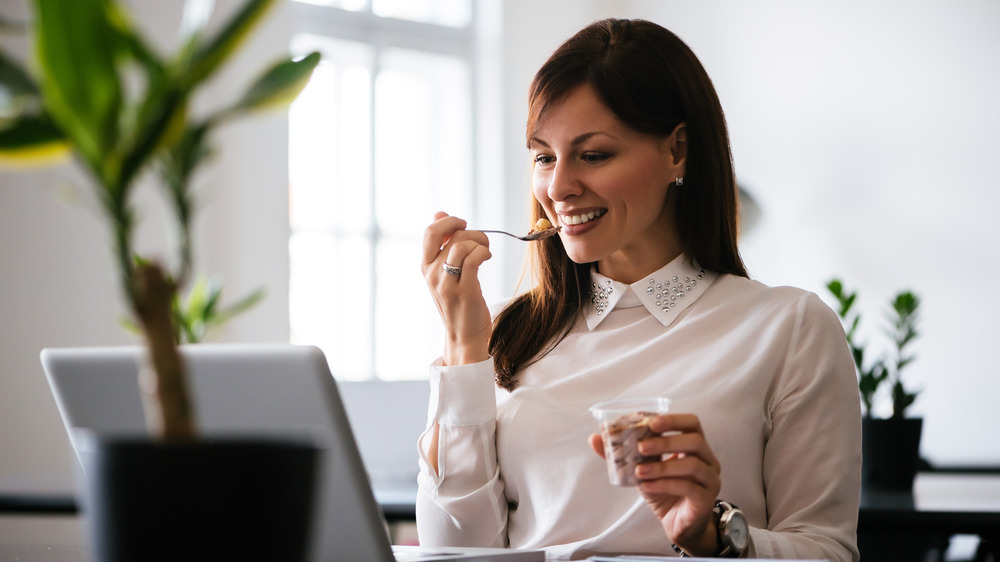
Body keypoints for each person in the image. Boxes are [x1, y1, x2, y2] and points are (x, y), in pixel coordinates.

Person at [418, 17, 861, 561]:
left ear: (677, 150)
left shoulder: (789, 328)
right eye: (543, 156)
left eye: (594, 154)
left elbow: (827, 551)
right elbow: (455, 552)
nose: (557, 187)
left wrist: (715, 536)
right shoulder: (507, 332)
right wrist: (464, 348)